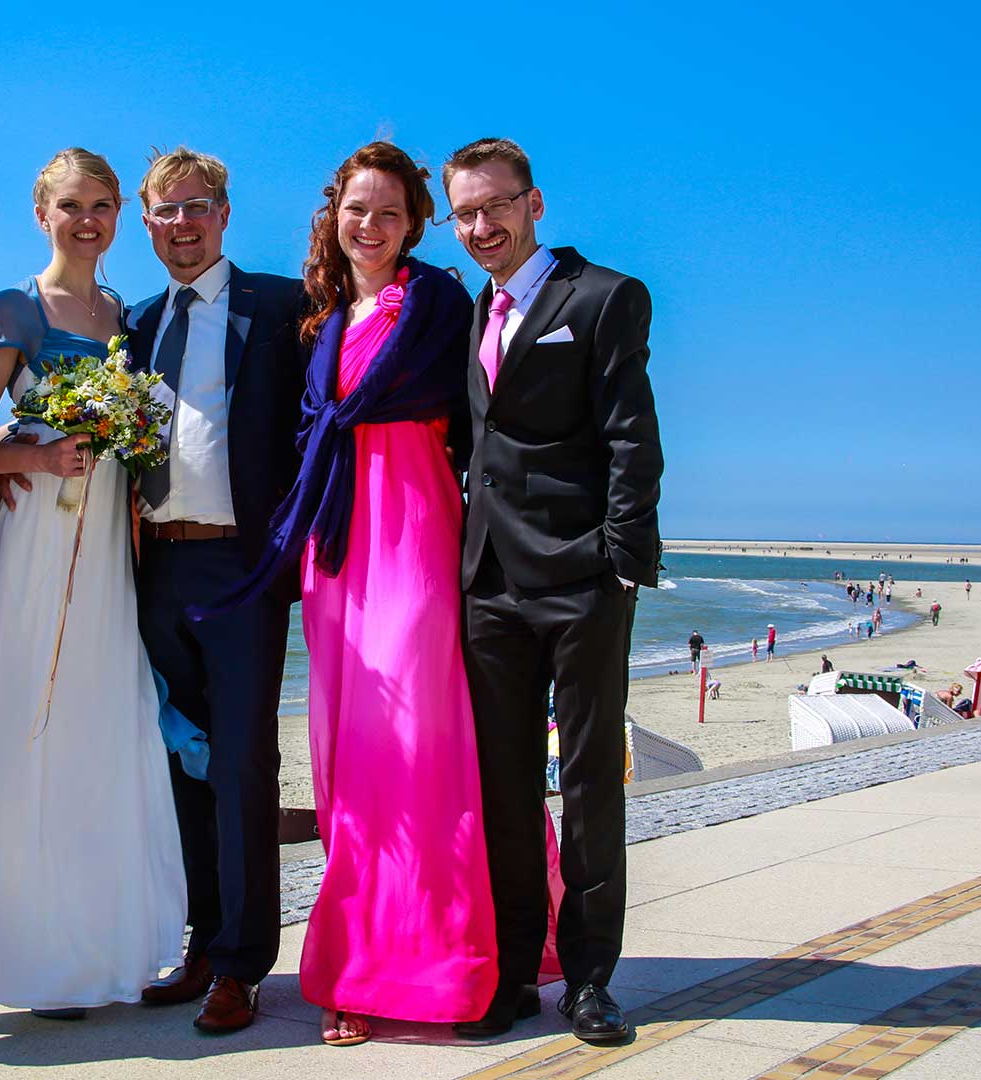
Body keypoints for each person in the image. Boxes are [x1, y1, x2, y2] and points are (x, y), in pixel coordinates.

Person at [206, 141, 490, 1046]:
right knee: (347, 756)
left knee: (414, 744)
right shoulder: (322, 317)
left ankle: (439, 963)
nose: (370, 225)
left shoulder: (435, 299)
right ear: (333, 214)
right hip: (336, 546)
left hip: (412, 526)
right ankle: (362, 962)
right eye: (356, 208)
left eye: (390, 212)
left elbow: (473, 413)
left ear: (413, 225)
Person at [0, 149, 186, 1021]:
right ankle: (37, 962)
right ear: (41, 212)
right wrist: (37, 457)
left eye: (101, 205)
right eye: (70, 206)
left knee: (103, 732)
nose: (87, 221)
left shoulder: (125, 316)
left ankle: (104, 947)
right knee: (33, 730)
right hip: (36, 543)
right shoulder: (14, 308)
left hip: (108, 553)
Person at [446, 137, 663, 1045]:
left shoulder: (604, 296)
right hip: (488, 584)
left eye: (496, 205)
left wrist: (620, 561)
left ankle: (589, 981)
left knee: (588, 783)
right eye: (465, 213)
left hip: (581, 579)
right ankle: (510, 975)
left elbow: (632, 437)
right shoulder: (472, 311)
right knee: (503, 790)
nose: (481, 226)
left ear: (534, 204)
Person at [124, 148, 307, 1035]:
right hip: (156, 568)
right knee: (179, 764)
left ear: (224, 214)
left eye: (197, 207)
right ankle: (201, 942)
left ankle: (241, 965)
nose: (183, 224)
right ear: (147, 224)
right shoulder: (134, 322)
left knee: (239, 766)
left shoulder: (283, 306)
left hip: (243, 569)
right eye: (166, 211)